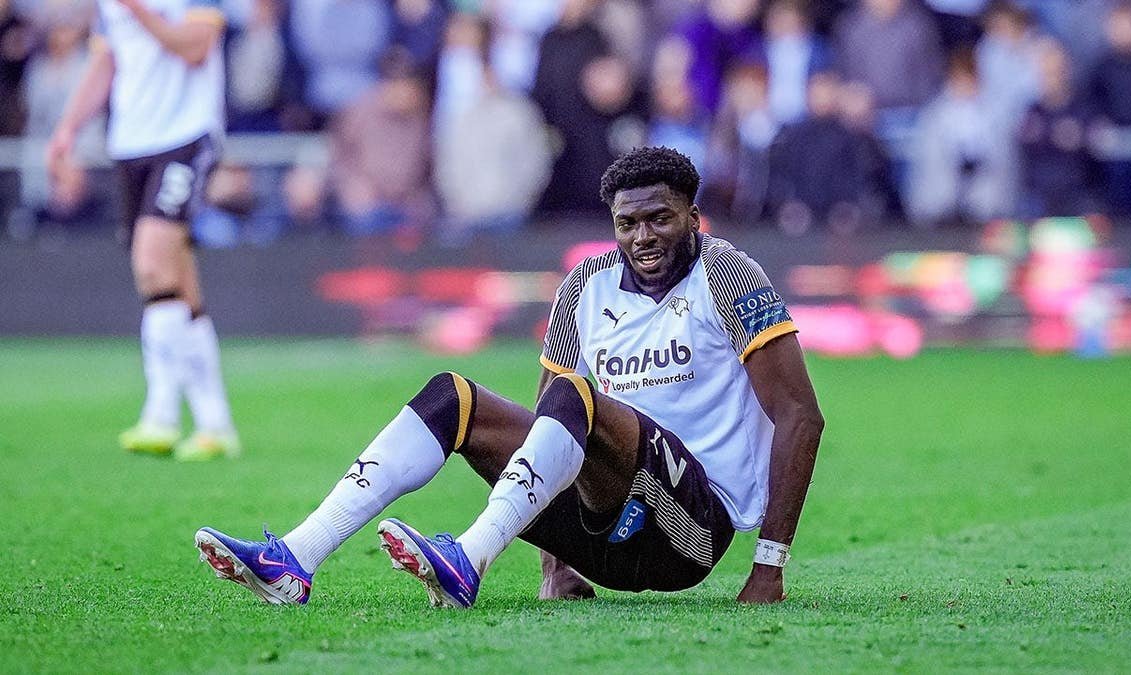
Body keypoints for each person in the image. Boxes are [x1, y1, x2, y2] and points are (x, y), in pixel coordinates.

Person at [194, 147, 825, 606]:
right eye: (627, 223)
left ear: (693, 215)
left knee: (576, 395)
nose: (643, 237)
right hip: (600, 525)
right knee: (454, 397)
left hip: (688, 532)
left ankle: (467, 559)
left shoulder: (728, 276)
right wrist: (560, 563)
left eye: (660, 218)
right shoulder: (584, 288)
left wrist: (768, 568)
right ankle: (295, 559)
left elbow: (801, 415)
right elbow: (553, 436)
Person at [46, 0, 239, 460]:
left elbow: (195, 48)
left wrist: (139, 10)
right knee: (179, 276)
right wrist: (68, 128)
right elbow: (106, 60)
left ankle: (162, 415)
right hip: (131, 142)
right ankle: (216, 425)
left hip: (186, 136)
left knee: (152, 267)